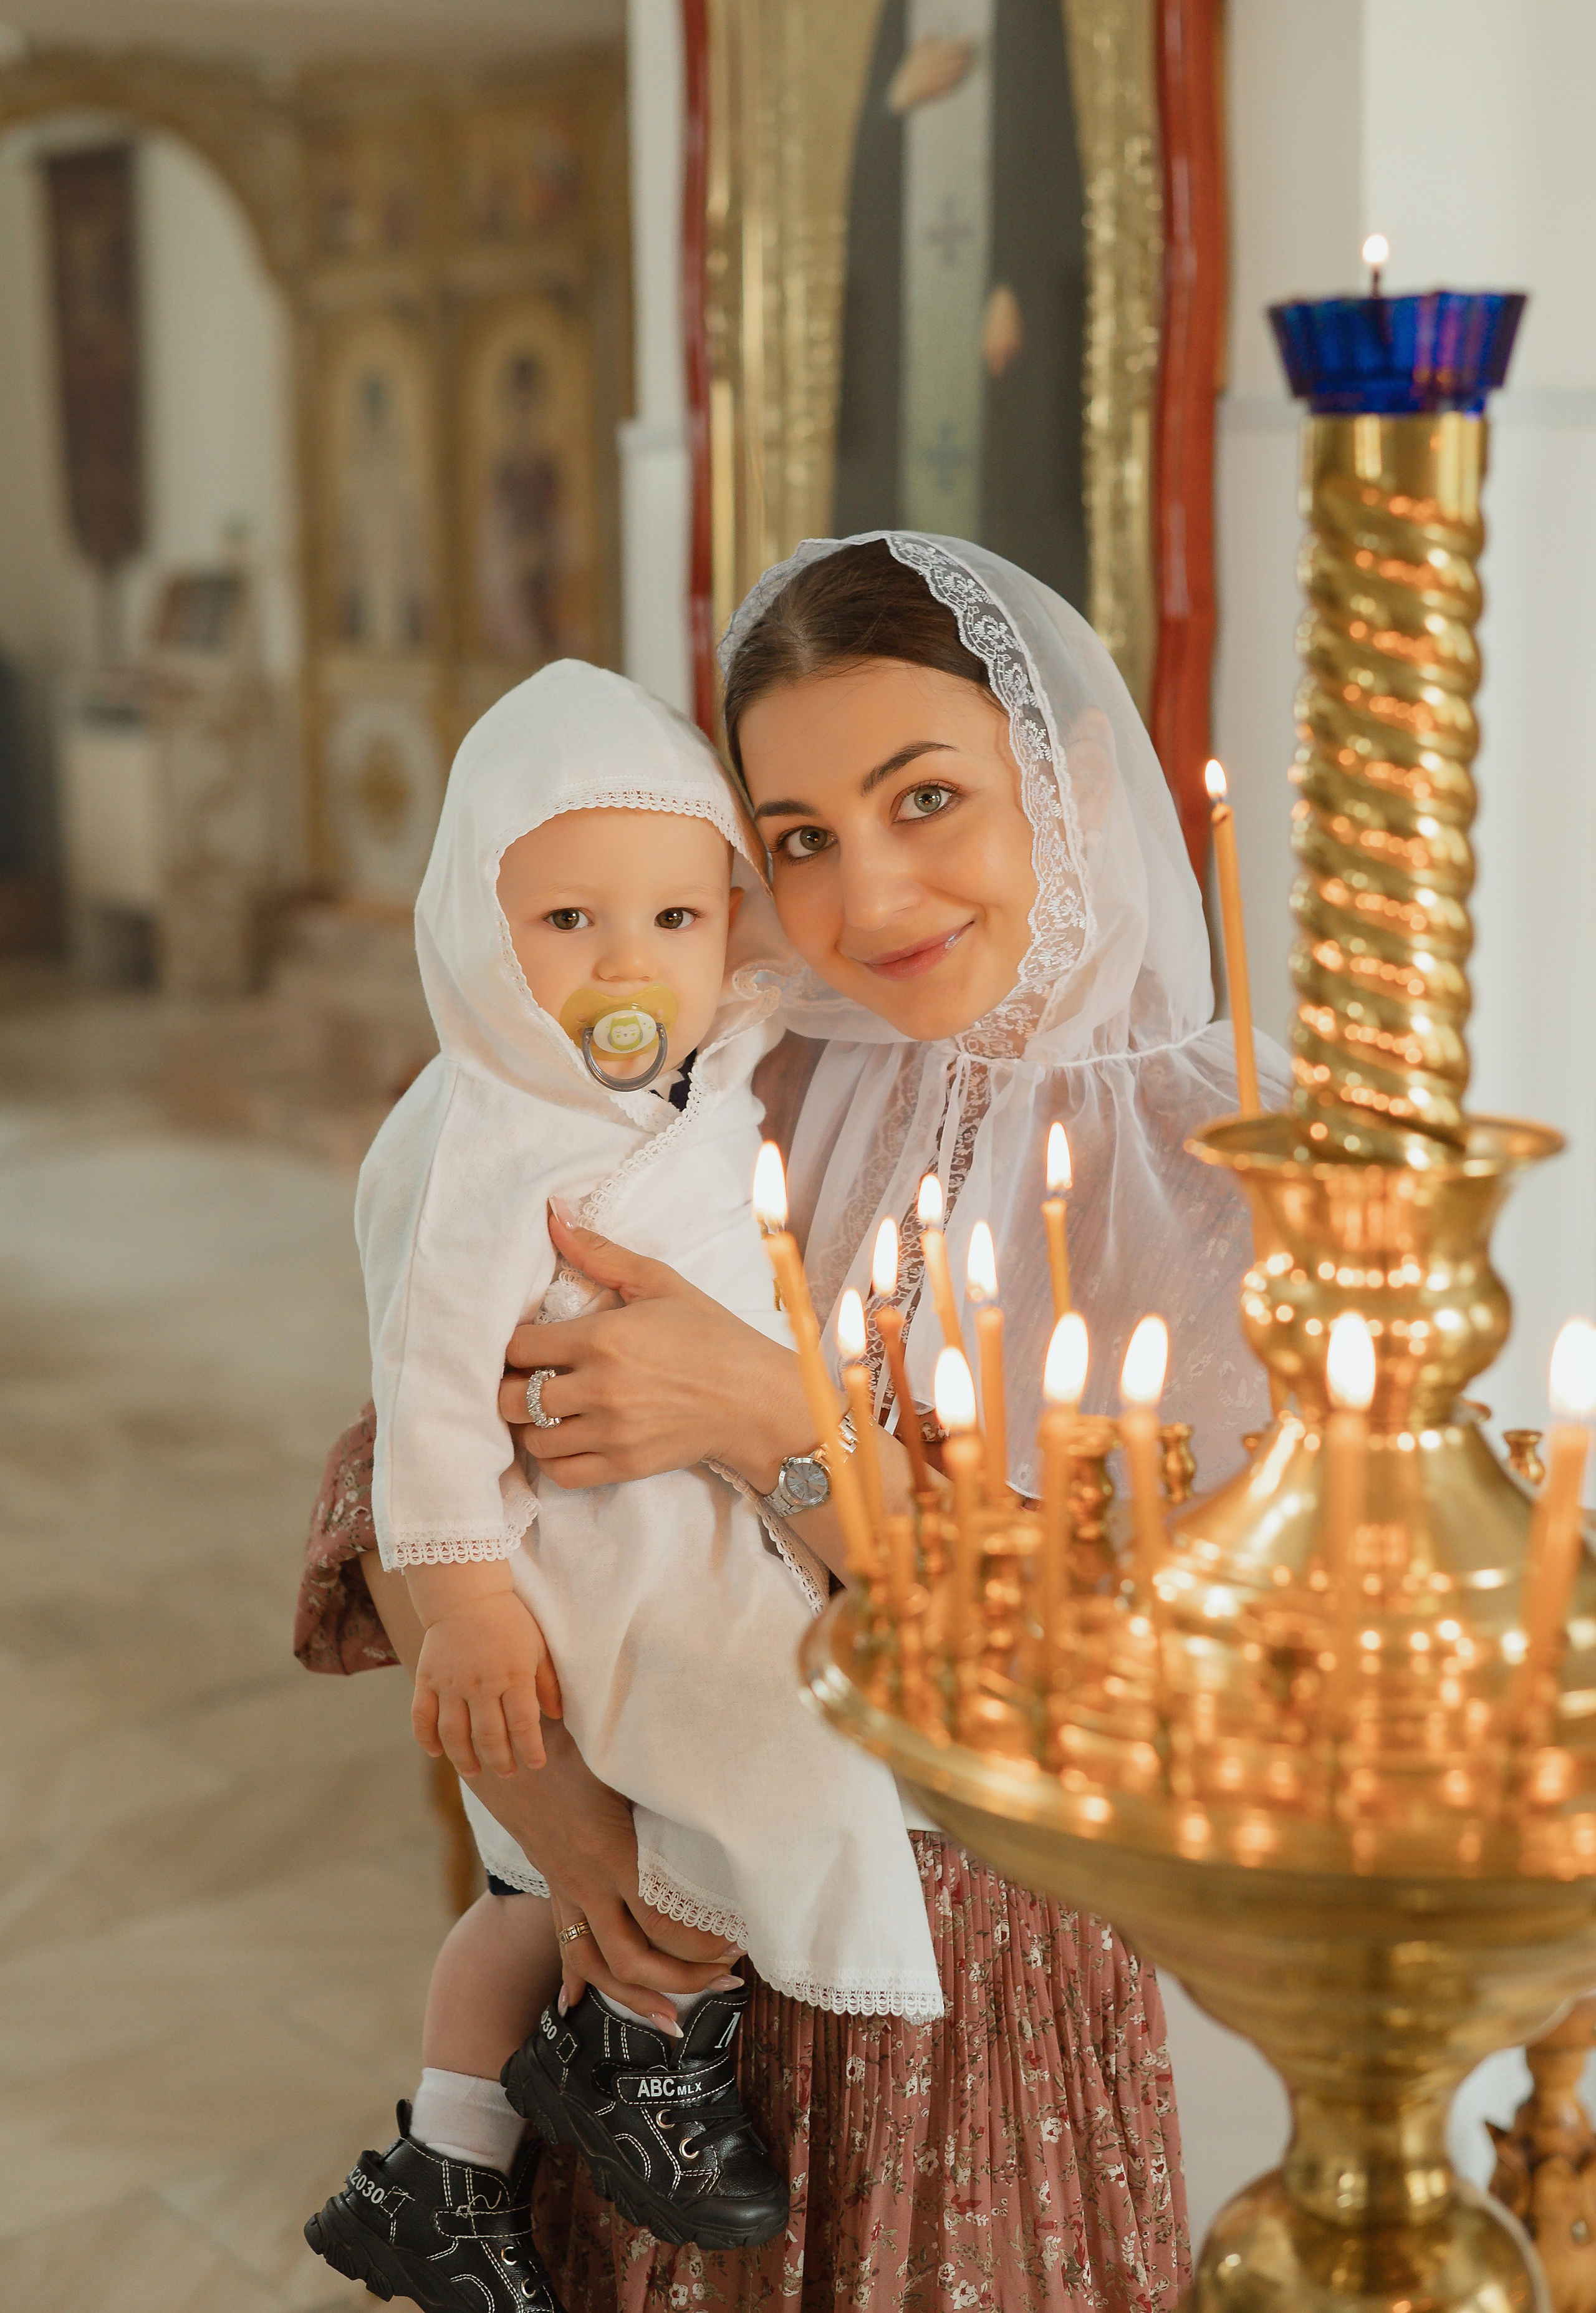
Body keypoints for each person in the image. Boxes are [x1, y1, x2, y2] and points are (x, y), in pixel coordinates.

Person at [299, 533, 1287, 2309]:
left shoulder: (1218, 1184)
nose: (867, 895)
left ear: (1058, 785)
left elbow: (1113, 1698)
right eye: (801, 841)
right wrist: (581, 1849)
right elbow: (415, 1487)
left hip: (978, 1979)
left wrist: (776, 1420)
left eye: (928, 798)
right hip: (672, 1955)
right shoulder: (713, 1079)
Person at [302, 659, 940, 2313]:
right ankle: (645, 2057)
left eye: (671, 917)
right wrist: (459, 1605)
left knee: (555, 1882)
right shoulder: (480, 1134)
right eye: (566, 923)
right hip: (564, 1540)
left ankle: (452, 2160)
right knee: (747, 1761)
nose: (627, 962)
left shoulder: (707, 1069)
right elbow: (431, 1393)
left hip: (697, 1501)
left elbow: (800, 972)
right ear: (474, 930)